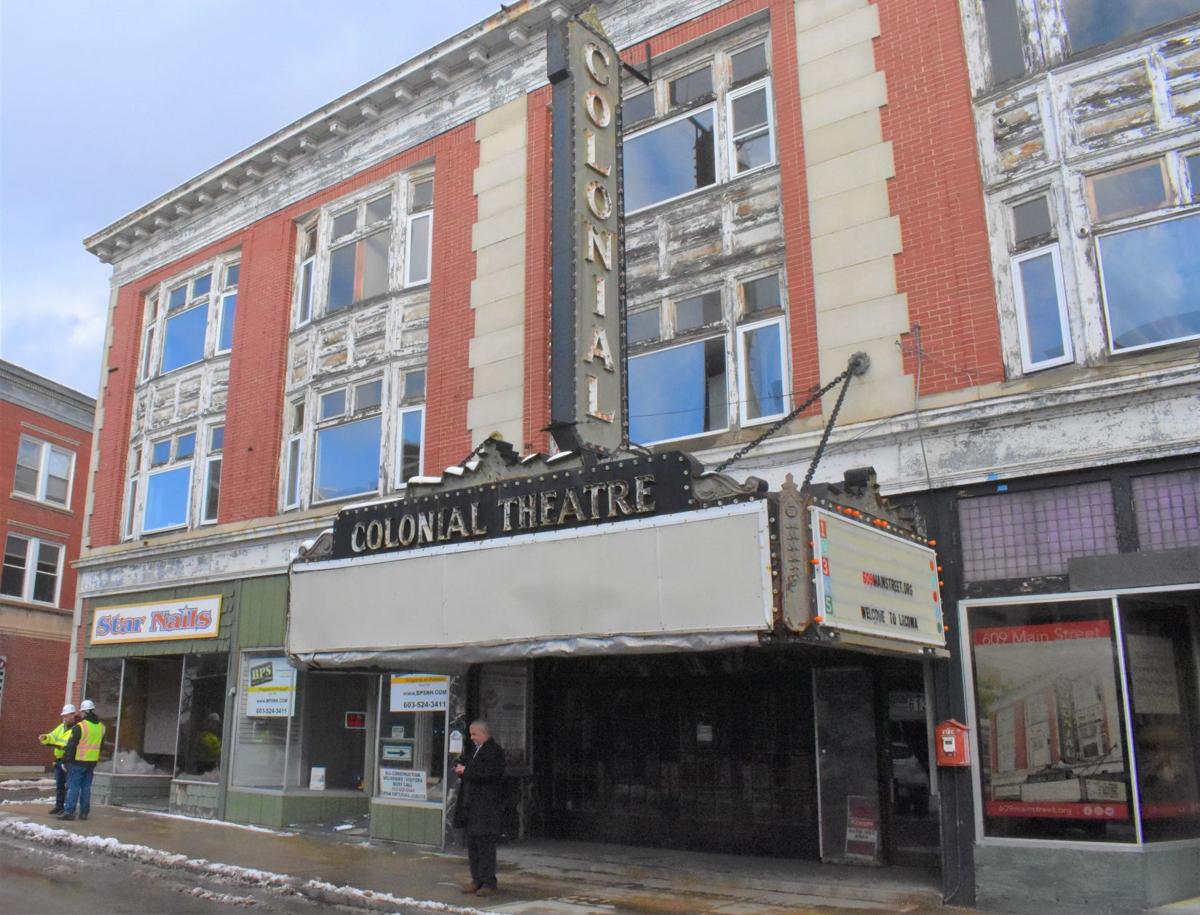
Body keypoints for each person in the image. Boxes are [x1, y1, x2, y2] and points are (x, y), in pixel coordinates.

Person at [452, 719, 505, 898]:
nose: (472, 737)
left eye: (474, 734)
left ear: (484, 733)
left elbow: (489, 774)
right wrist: (459, 766)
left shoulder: (494, 751)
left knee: (485, 845)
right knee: (473, 845)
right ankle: (476, 879)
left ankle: (489, 881)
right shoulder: (474, 750)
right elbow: (466, 765)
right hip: (471, 805)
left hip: (486, 807)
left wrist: (466, 772)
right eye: (470, 734)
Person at [56, 698, 106, 822]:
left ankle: (69, 812)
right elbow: (101, 745)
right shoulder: (101, 727)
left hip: (78, 762)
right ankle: (84, 813)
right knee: (86, 788)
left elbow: (71, 746)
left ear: (84, 712)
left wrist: (65, 762)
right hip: (91, 762)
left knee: (73, 787)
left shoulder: (80, 727)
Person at [39, 703, 78, 815]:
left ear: (72, 715)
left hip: (69, 760)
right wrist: (45, 738)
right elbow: (52, 736)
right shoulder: (61, 727)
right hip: (60, 760)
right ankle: (59, 806)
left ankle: (66, 808)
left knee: (68, 786)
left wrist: (57, 745)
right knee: (60, 785)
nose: (64, 718)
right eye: (63, 716)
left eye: (66, 715)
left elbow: (68, 745)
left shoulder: (76, 729)